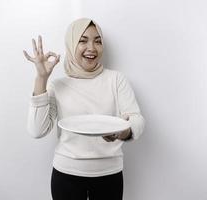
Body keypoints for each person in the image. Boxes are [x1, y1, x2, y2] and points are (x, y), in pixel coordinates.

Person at [23, 18, 145, 200]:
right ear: (71, 44)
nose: (92, 48)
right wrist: (41, 78)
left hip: (109, 175)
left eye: (97, 41)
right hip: (66, 175)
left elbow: (136, 119)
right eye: (83, 40)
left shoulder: (116, 79)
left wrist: (123, 131)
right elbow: (37, 130)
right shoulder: (58, 85)